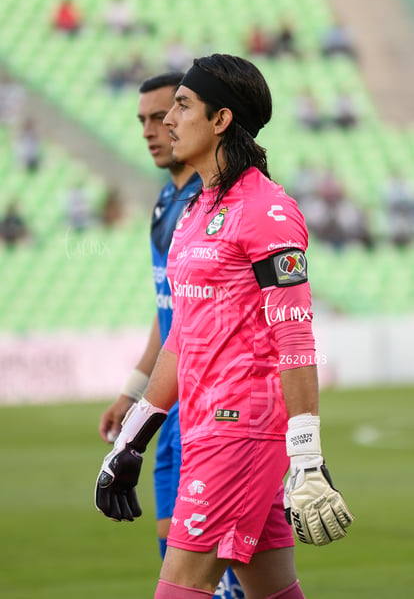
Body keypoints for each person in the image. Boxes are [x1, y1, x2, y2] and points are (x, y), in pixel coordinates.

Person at [95, 54, 354, 599]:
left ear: (221, 120)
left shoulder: (268, 211)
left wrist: (306, 454)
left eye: (182, 106)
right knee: (273, 592)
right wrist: (134, 441)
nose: (168, 121)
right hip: (207, 429)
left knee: (180, 590)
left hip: (241, 436)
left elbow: (295, 335)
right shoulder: (194, 212)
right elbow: (180, 338)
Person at [98, 71, 244, 599]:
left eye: (163, 115)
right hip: (168, 404)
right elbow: (172, 315)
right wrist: (134, 390)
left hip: (214, 408)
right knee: (180, 560)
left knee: (215, 573)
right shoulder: (168, 205)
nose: (152, 130)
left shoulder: (220, 205)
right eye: (142, 120)